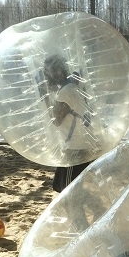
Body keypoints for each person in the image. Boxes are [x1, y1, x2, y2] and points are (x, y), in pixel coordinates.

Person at [42, 55, 97, 192]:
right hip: (79, 146)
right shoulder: (71, 87)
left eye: (47, 73)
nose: (46, 77)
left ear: (55, 72)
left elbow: (56, 120)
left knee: (67, 190)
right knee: (60, 186)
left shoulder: (65, 92)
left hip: (75, 149)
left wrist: (44, 98)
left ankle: (80, 213)